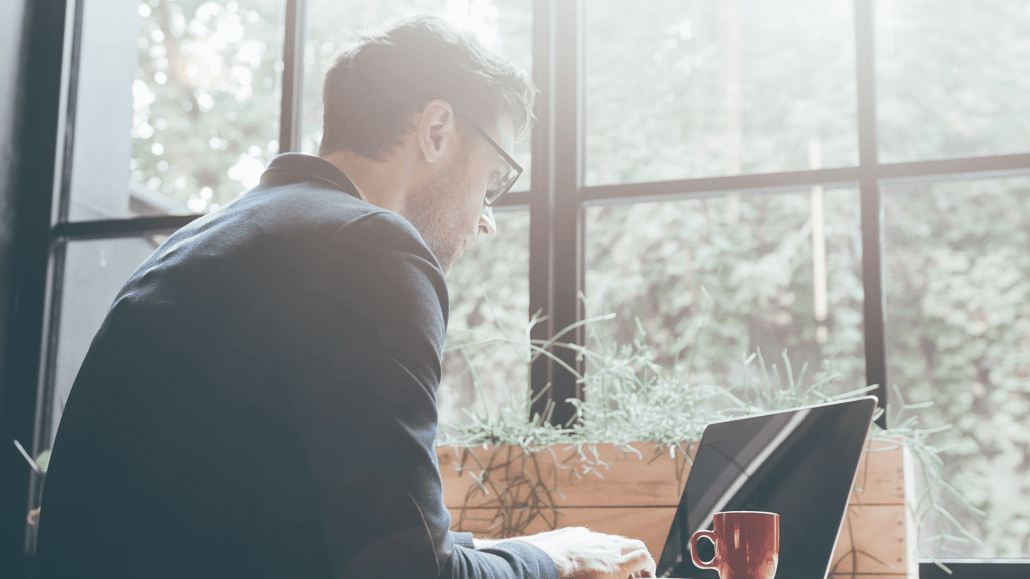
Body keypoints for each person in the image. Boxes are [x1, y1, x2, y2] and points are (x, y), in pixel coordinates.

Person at [32, 15, 657, 579]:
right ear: (437, 131)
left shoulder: (207, 241)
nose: (488, 219)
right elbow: (410, 574)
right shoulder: (372, 247)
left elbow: (355, 538)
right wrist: (552, 555)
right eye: (493, 181)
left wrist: (497, 553)